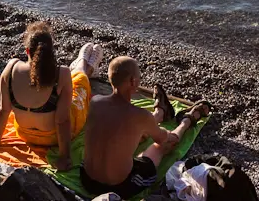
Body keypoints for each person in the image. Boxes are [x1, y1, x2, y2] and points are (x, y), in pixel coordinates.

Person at [0, 23, 104, 171]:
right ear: (50, 50)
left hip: (24, 134)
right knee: (79, 85)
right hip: (53, 139)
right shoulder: (61, 73)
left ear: (27, 50)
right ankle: (84, 65)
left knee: (70, 83)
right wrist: (64, 156)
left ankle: (85, 63)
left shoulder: (10, 69)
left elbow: (4, 109)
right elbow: (62, 121)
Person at [80, 57, 211, 199]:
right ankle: (186, 121)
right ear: (133, 81)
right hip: (117, 186)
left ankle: (159, 114)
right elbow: (164, 139)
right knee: (161, 146)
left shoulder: (95, 102)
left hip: (86, 178)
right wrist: (168, 133)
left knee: (125, 133)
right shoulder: (140, 116)